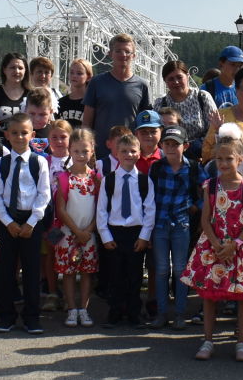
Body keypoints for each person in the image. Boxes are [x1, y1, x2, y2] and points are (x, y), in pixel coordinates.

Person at [184, 135, 243, 361]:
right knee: (210, 295)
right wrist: (216, 244)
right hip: (214, 246)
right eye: (219, 158)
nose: (223, 163)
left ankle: (241, 342)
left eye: (229, 159)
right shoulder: (211, 186)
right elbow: (205, 219)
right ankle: (207, 340)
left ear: (240, 159)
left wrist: (235, 244)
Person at [0, 112, 52, 334]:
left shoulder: (39, 162)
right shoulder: (1, 163)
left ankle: (32, 317)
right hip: (8, 221)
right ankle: (6, 316)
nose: (19, 137)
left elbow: (44, 195)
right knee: (6, 270)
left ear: (32, 135)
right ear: (6, 135)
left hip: (31, 222)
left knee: (32, 271)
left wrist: (31, 222)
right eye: (14, 133)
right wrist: (8, 222)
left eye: (24, 133)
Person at [96, 131, 155, 327]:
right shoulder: (109, 180)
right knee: (115, 276)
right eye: (124, 151)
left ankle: (134, 313)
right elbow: (102, 210)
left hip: (135, 233)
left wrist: (144, 236)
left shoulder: (145, 181)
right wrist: (105, 236)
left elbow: (150, 210)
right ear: (117, 153)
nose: (128, 155)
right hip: (115, 232)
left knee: (135, 276)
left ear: (139, 153)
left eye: (132, 151)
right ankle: (115, 312)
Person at [149, 127, 197, 329]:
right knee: (161, 270)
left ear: (185, 146)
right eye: (167, 144)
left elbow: (206, 190)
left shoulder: (193, 167)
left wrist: (196, 206)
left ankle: (179, 313)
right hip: (159, 224)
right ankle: (161, 313)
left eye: (175, 144)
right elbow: (148, 196)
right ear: (162, 145)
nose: (170, 148)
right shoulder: (156, 168)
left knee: (180, 269)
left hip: (181, 224)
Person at [53, 128, 101, 327]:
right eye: (76, 151)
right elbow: (61, 209)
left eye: (85, 151)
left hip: (89, 234)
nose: (81, 155)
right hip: (68, 234)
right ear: (70, 150)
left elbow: (100, 208)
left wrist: (88, 230)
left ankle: (84, 309)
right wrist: (76, 231)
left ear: (92, 150)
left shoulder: (96, 178)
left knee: (87, 272)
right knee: (69, 273)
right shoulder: (64, 177)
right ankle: (72, 309)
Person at [82, 33, 152, 161]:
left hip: (130, 154)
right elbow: (87, 121)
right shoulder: (97, 82)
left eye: (127, 51)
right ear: (110, 54)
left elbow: (145, 123)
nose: (123, 55)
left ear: (134, 55)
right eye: (118, 51)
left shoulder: (142, 85)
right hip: (101, 153)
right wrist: (86, 146)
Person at [155, 59, 219, 158]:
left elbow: (213, 129)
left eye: (179, 77)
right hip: (170, 156)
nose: (176, 82)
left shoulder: (202, 97)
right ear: (165, 81)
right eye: (171, 79)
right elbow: (156, 132)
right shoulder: (160, 103)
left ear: (188, 76)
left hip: (200, 155)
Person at [0, 52, 32, 121]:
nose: (17, 71)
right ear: (4, 70)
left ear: (25, 71)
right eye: (12, 68)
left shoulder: (31, 95)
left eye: (20, 68)